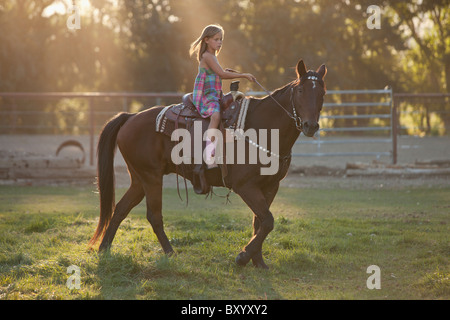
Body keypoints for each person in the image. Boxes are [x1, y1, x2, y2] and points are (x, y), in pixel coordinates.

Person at [189, 24, 256, 162]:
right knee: (216, 115)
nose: (219, 42)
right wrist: (243, 75)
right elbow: (221, 74)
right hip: (206, 95)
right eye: (216, 39)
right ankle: (209, 152)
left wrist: (233, 73)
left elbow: (219, 72)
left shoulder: (212, 57)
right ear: (206, 40)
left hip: (215, 93)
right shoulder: (207, 56)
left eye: (221, 40)